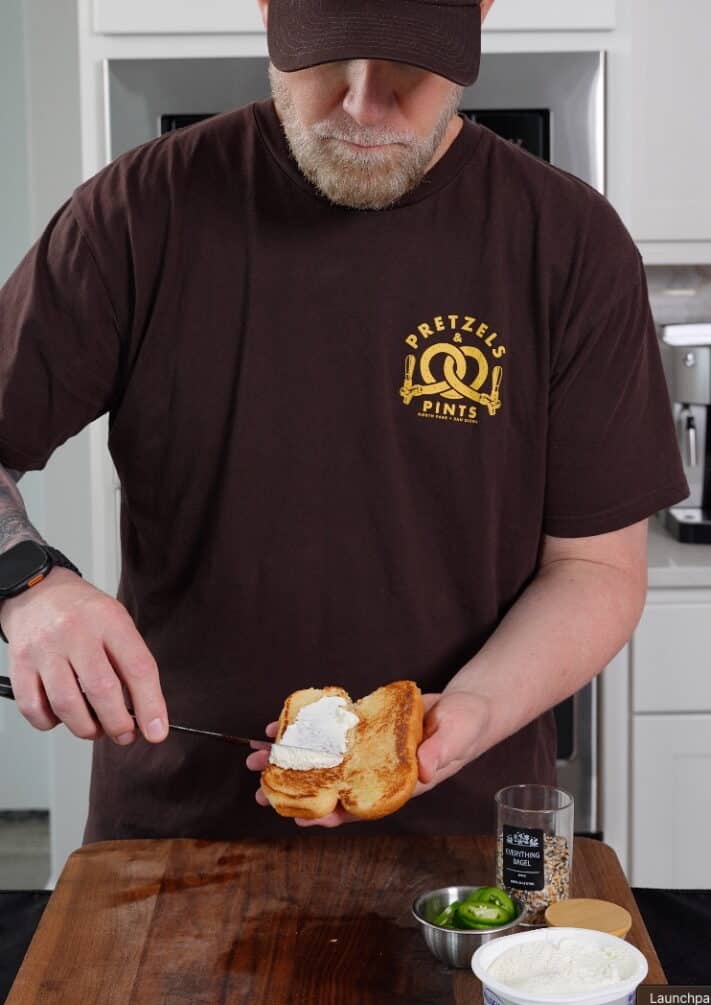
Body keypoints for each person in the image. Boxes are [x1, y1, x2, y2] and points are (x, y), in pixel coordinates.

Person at [0, 0, 687, 842]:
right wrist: (29, 586)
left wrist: (468, 712)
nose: (364, 105)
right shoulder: (135, 215)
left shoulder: (571, 243)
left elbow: (596, 569)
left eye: (411, 64)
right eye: (327, 59)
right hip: (173, 831)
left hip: (462, 832)